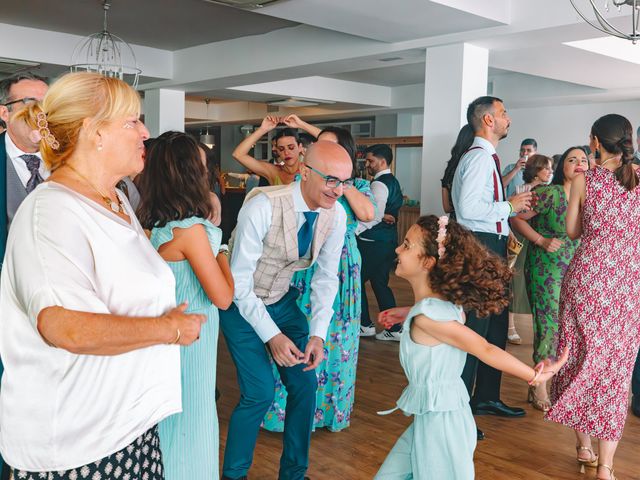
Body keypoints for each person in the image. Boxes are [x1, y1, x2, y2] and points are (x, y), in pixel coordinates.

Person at [0, 72, 206, 479]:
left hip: (129, 427)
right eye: (132, 122)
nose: (145, 132)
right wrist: (169, 329)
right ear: (93, 132)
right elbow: (65, 327)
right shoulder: (51, 211)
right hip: (80, 445)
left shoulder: (115, 198)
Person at [373, 215, 568, 479]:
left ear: (428, 262)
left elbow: (484, 349)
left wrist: (533, 376)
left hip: (441, 424)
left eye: (406, 245)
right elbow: (442, 315)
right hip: (434, 416)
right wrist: (407, 312)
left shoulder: (429, 317)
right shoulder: (440, 309)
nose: (398, 249)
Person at [219, 141, 352, 480]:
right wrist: (272, 336)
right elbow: (239, 283)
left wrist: (318, 336)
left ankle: (294, 474)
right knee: (259, 393)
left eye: (345, 182)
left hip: (283, 303)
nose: (338, 191)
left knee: (306, 385)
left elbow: (326, 278)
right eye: (331, 180)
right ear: (305, 172)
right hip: (241, 307)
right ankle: (234, 476)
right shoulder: (262, 206)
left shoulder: (336, 215)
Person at [263, 126, 375, 432]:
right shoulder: (302, 180)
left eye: (332, 150)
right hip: (302, 260)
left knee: (337, 335)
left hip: (341, 265)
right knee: (298, 329)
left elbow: (366, 213)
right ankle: (289, 412)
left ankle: (328, 412)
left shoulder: (359, 186)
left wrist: (341, 181)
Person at [136, 131, 234, 479]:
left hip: (172, 338)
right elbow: (223, 297)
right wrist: (222, 249)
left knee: (174, 425)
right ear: (192, 172)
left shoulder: (154, 226)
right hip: (191, 345)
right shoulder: (191, 232)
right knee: (192, 425)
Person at [547, 114, 640, 480]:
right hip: (628, 285)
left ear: (595, 142)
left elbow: (572, 232)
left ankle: (583, 446)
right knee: (614, 370)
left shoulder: (585, 180)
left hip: (587, 280)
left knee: (577, 358)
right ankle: (606, 467)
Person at [452, 96, 532, 440]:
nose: (508, 118)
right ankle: (459, 411)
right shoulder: (479, 158)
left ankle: (486, 397)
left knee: (496, 328)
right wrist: (508, 205)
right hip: (481, 248)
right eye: (503, 113)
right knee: (476, 332)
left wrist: (509, 208)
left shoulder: (487, 158)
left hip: (493, 247)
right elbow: (469, 210)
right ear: (487, 120)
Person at [510, 147, 587, 412]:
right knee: (549, 322)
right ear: (561, 166)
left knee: (569, 324)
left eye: (584, 160)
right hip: (546, 265)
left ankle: (561, 378)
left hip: (577, 264)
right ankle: (538, 384)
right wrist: (540, 240)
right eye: (571, 160)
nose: (578, 164)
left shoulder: (590, 194)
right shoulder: (549, 193)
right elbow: (515, 218)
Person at [356, 144, 404, 341]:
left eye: (370, 161)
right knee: (380, 284)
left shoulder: (378, 184)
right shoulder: (392, 181)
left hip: (372, 241)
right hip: (387, 241)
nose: (367, 164)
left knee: (356, 281)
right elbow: (383, 214)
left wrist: (354, 231)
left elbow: (373, 216)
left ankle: (365, 324)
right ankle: (394, 328)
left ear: (382, 161)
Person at [506, 153, 554, 345]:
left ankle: (540, 331)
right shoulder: (521, 190)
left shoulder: (550, 191)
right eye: (546, 168)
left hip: (539, 239)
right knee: (514, 281)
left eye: (551, 168)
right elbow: (512, 212)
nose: (550, 171)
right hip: (520, 236)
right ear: (536, 171)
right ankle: (510, 326)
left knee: (538, 284)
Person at [232, 116, 304, 186]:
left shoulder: (310, 170)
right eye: (281, 149)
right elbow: (238, 154)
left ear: (300, 147)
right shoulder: (273, 172)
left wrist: (301, 124)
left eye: (291, 147)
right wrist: (262, 129)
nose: (286, 152)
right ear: (277, 151)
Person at [441, 124, 474, 220]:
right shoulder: (472, 164)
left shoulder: (450, 169)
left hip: (454, 224)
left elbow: (446, 208)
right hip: (471, 224)